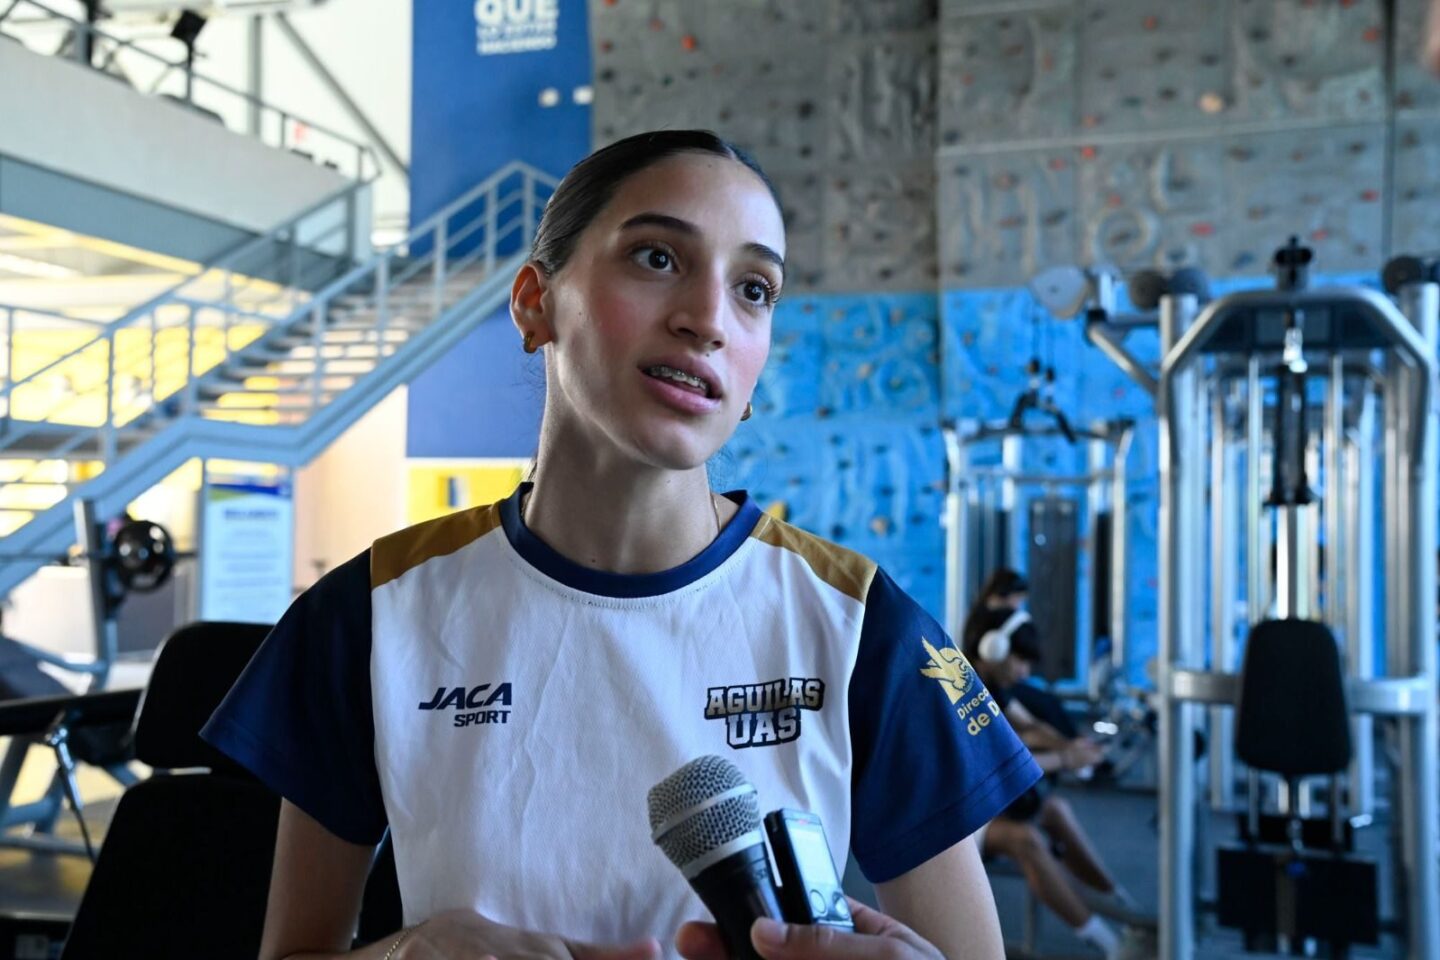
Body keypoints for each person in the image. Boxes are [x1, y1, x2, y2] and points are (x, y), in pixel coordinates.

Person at [201, 129, 1041, 960]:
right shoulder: (373, 613)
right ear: (536, 302)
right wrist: (403, 953)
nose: (708, 319)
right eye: (657, 259)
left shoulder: (859, 623)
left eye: (754, 289)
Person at [962, 604, 1144, 959]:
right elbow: (995, 762)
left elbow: (1028, 727)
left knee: (1056, 809)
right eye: (1021, 661)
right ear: (994, 648)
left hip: (986, 800)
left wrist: (1070, 745)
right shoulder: (960, 686)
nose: (1025, 671)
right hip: (960, 816)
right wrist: (1063, 758)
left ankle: (1128, 912)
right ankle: (1113, 947)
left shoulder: (994, 684)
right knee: (1026, 839)